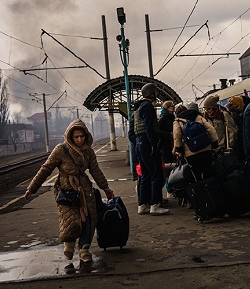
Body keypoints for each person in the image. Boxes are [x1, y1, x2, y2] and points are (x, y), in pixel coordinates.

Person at [24, 119, 114, 267]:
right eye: (76, 137)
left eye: (82, 136)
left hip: (85, 191)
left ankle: (84, 249)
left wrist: (106, 188)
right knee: (70, 221)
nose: (79, 140)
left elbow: (95, 171)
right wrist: (31, 188)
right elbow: (46, 169)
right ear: (70, 136)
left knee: (89, 220)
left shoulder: (89, 151)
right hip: (66, 191)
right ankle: (69, 245)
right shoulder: (61, 149)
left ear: (86, 136)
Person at [133, 83, 170, 215]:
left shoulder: (138, 108)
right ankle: (155, 205)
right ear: (151, 93)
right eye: (156, 92)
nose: (157, 94)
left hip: (139, 143)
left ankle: (142, 205)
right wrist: (154, 144)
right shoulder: (148, 106)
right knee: (156, 174)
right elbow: (149, 128)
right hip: (147, 143)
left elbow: (134, 130)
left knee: (146, 175)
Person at [173, 102, 219, 180]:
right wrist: (215, 145)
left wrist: (179, 150)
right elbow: (211, 129)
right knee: (209, 173)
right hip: (206, 149)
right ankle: (212, 190)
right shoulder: (197, 117)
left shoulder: (177, 121)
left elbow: (177, 136)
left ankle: (201, 191)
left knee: (196, 177)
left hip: (191, 154)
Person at [225, 95, 245, 161]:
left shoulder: (231, 112)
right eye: (242, 103)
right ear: (238, 104)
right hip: (237, 144)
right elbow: (237, 130)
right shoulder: (235, 114)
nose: (244, 104)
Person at [158, 100, 175, 165]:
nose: (173, 107)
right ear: (167, 107)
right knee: (167, 160)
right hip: (165, 143)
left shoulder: (172, 117)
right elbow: (159, 131)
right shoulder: (163, 118)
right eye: (171, 106)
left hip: (171, 141)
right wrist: (169, 134)